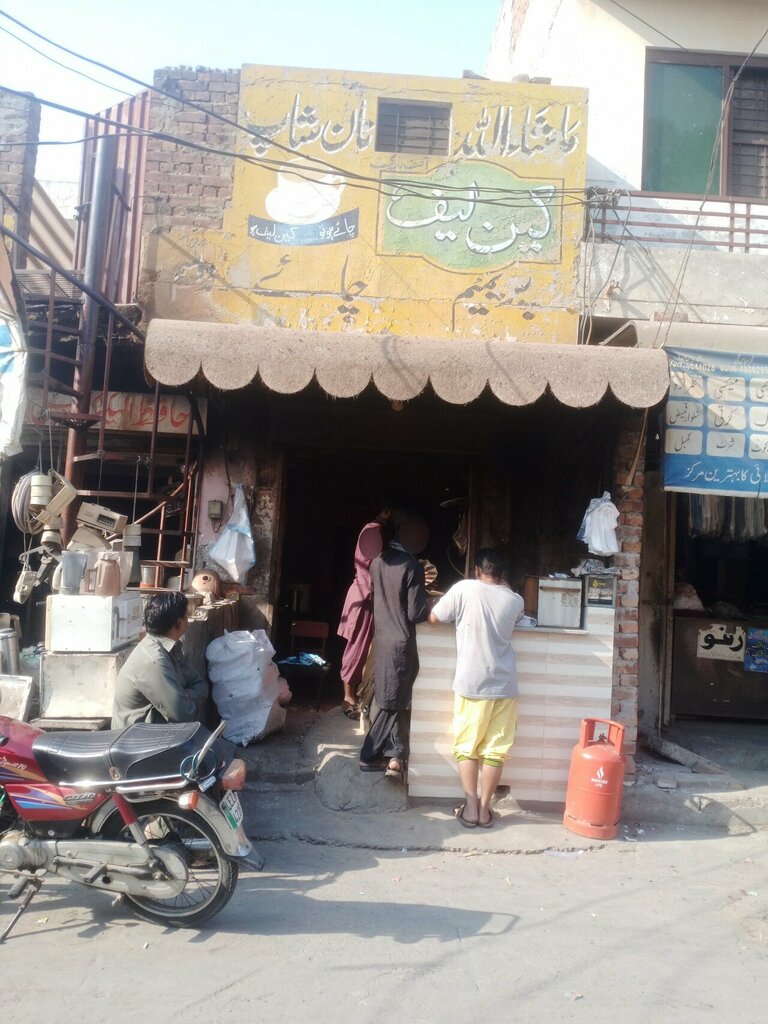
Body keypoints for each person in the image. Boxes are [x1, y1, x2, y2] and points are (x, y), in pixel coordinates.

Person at [428, 548, 524, 828]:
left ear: (478, 570)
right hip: (505, 685)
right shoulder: (515, 600)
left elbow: (434, 617)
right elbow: (516, 616)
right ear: (502, 574)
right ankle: (485, 810)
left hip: (472, 684)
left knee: (466, 747)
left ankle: (470, 810)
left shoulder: (464, 588)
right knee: (496, 750)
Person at [359, 510, 428, 780]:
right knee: (393, 703)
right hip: (402, 642)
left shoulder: (377, 563)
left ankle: (396, 756)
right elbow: (415, 613)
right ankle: (368, 755)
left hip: (383, 639)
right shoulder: (412, 566)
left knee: (398, 699)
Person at [112, 592, 209, 730]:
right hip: (138, 738)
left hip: (152, 732)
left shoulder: (168, 647)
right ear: (179, 622)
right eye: (186, 615)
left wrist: (184, 696)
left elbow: (200, 684)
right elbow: (183, 713)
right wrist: (185, 697)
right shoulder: (154, 659)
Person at [337, 503, 393, 719]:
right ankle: (348, 699)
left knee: (363, 651)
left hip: (366, 598)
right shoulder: (372, 532)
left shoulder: (374, 532)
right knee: (356, 650)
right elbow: (369, 571)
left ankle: (356, 696)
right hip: (363, 599)